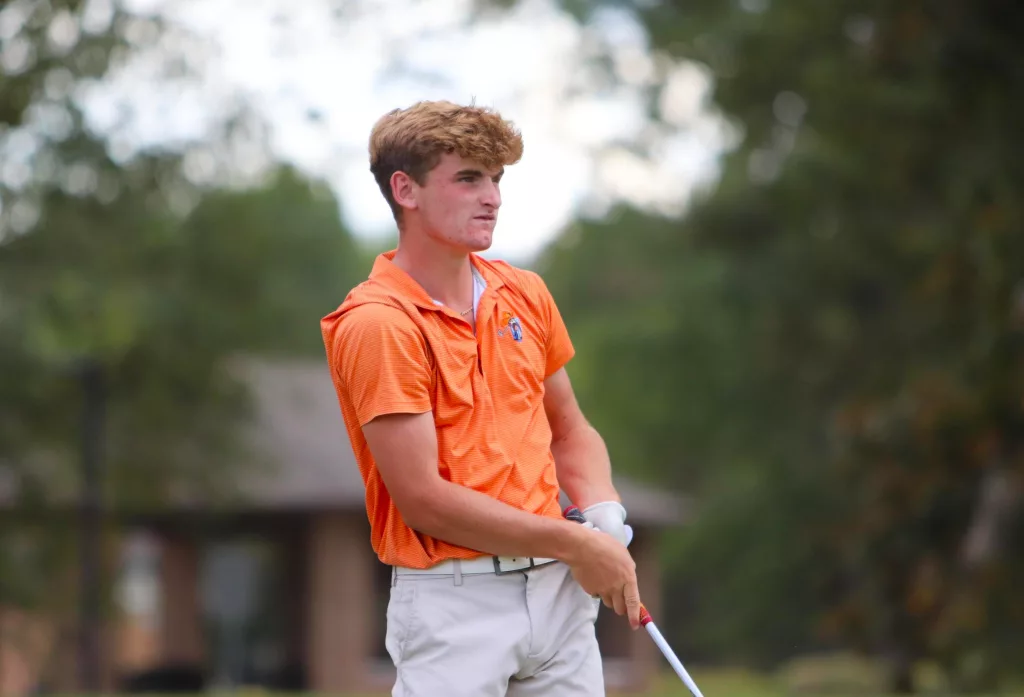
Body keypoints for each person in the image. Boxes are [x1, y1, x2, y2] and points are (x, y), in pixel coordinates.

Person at [320, 100, 641, 697]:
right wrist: (575, 542)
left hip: (558, 597)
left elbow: (569, 431)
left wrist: (602, 513)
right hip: (454, 603)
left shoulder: (524, 292)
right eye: (468, 178)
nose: (491, 196)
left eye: (496, 179)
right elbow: (424, 501)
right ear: (405, 190)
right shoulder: (378, 323)